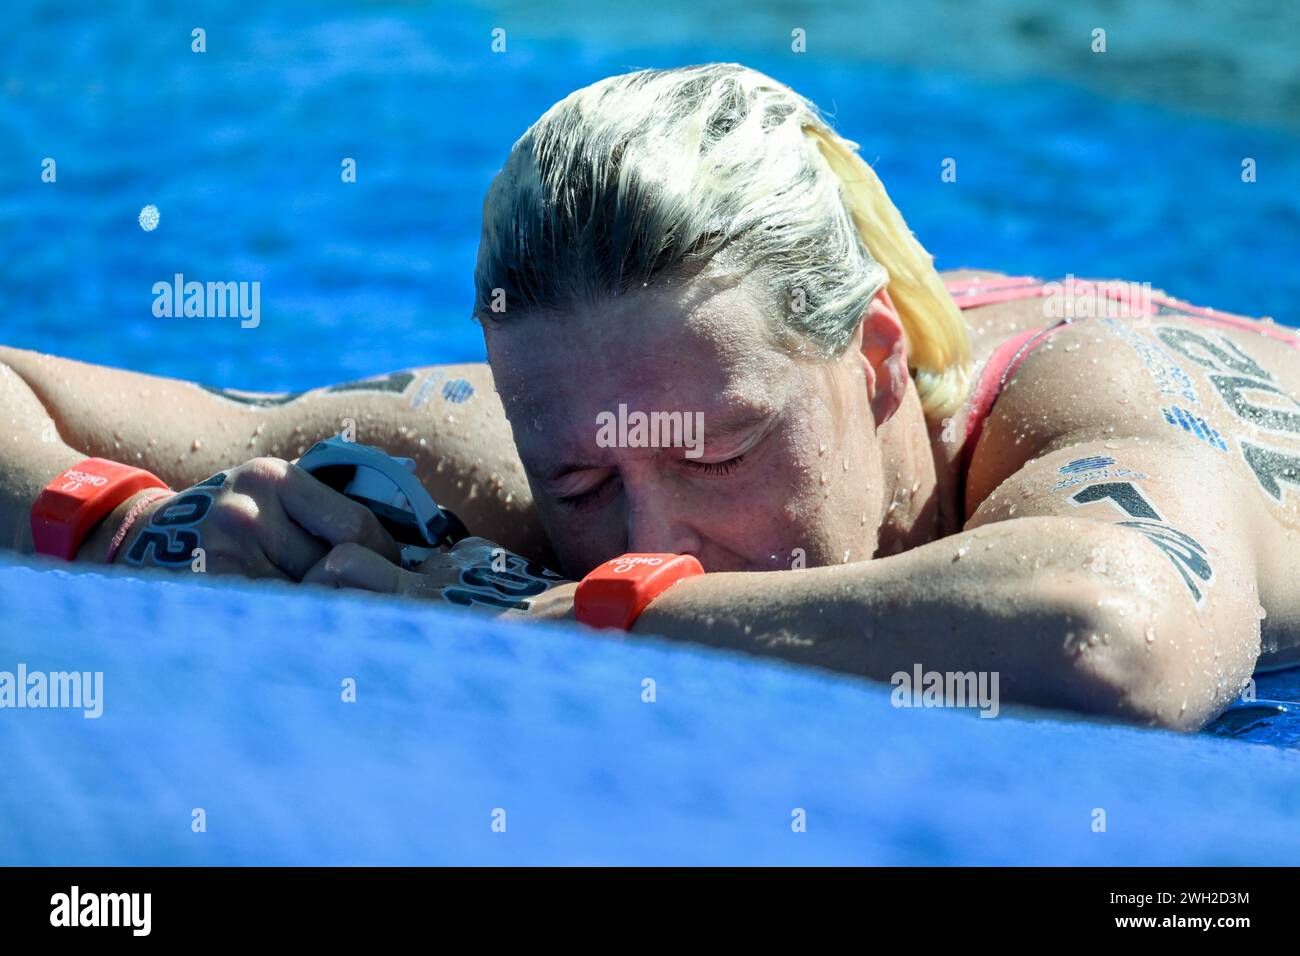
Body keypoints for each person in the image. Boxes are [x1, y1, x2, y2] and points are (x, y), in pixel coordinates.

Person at [4, 64, 1298, 731]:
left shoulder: (1089, 398)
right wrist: (126, 527)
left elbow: (1113, 645)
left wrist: (577, 618)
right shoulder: (558, 437)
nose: (647, 531)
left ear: (876, 360)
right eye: (576, 483)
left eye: (722, 454)